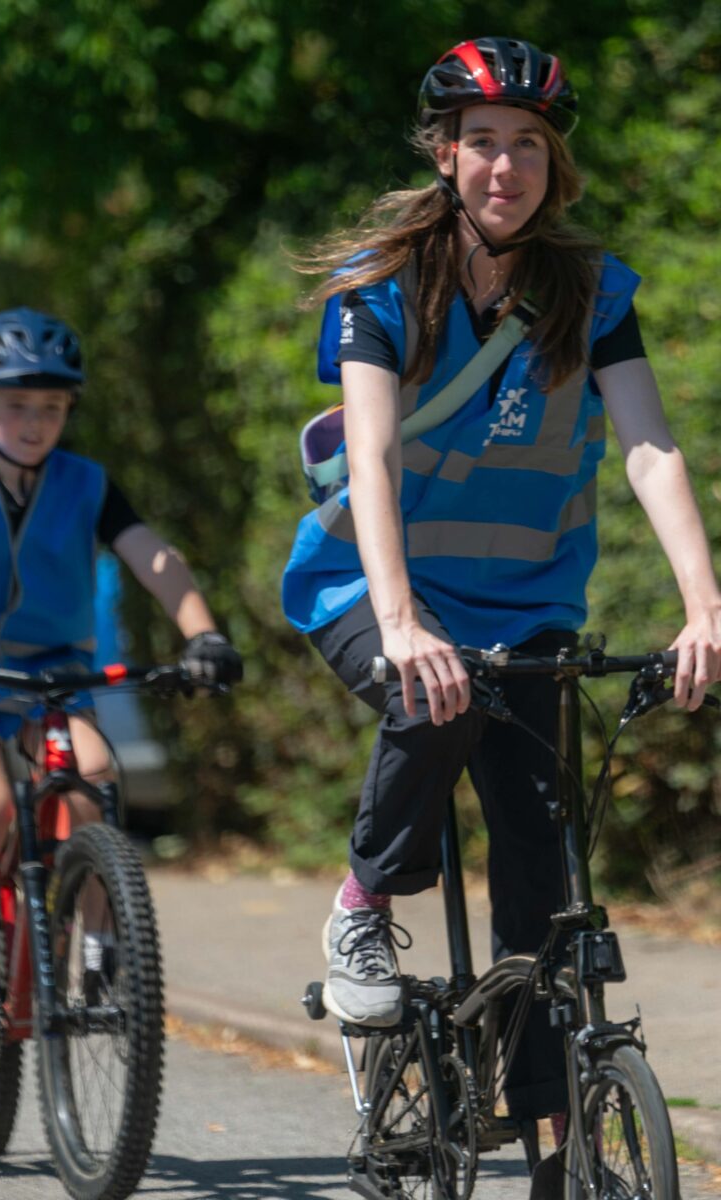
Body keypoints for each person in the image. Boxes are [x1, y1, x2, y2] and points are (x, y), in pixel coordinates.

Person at [281, 37, 721, 1138]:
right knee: (440, 690)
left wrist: (705, 605)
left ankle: (550, 1125)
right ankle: (363, 905)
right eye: (482, 143)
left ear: (552, 162)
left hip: (528, 604)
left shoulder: (592, 289)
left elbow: (649, 448)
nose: (504, 166)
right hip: (366, 587)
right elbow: (371, 459)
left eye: (528, 144)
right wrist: (400, 621)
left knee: (546, 875)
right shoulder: (382, 290)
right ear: (443, 154)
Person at [0, 307, 243, 1064]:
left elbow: (151, 557)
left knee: (93, 777)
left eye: (52, 408)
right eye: (16, 406)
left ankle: (101, 949)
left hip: (48, 679)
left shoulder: (86, 485)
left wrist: (203, 633)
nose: (35, 423)